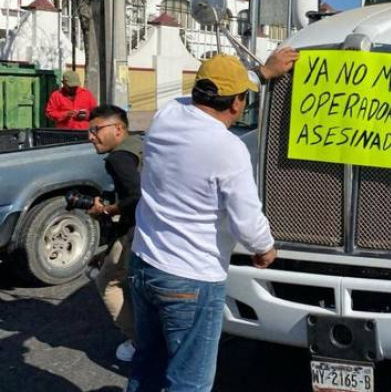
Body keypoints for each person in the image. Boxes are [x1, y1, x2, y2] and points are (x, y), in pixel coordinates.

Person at [127, 48, 299, 392]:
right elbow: (246, 217)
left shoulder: (167, 116)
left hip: (144, 263)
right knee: (189, 381)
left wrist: (261, 74)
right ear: (236, 104)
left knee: (148, 365)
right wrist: (264, 249)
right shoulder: (227, 147)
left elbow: (196, 99)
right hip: (192, 278)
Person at [86, 105, 143, 362]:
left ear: (118, 129)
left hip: (135, 228)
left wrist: (108, 209)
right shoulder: (139, 144)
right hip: (155, 229)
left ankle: (139, 342)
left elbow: (135, 195)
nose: (90, 136)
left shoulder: (118, 158)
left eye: (96, 129)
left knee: (108, 282)